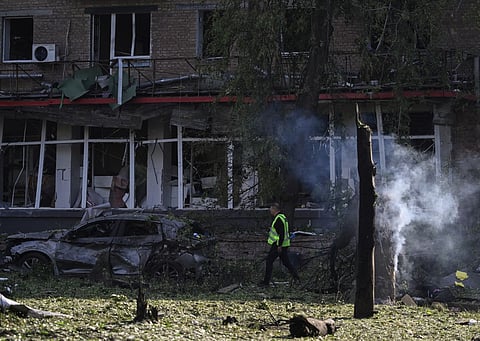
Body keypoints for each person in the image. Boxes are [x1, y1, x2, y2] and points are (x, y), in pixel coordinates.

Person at [259, 203, 300, 286]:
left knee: (269, 261)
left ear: (275, 209)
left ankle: (266, 282)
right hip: (283, 244)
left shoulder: (278, 219)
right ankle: (297, 278)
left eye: (271, 208)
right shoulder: (283, 217)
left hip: (278, 245)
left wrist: (279, 245)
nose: (270, 210)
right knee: (286, 262)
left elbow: (281, 233)